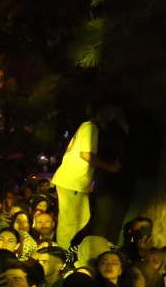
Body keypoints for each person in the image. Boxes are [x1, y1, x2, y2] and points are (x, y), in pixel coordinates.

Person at [50, 100, 124, 248]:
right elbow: (86, 155)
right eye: (108, 111)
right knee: (70, 221)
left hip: (74, 182)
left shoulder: (88, 128)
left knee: (81, 217)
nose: (110, 115)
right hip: (72, 181)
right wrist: (110, 167)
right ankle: (62, 254)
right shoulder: (90, 128)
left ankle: (66, 249)